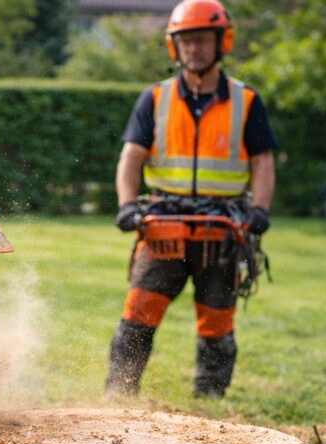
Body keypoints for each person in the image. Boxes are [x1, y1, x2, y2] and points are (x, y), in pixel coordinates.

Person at [105, 0, 277, 398]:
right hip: (164, 223)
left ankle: (210, 398)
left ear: (222, 42)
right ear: (174, 47)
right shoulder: (155, 98)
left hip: (222, 228)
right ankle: (118, 393)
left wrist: (260, 210)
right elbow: (131, 156)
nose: (193, 49)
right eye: (186, 42)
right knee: (138, 314)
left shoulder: (246, 101)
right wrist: (127, 204)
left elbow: (263, 160)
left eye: (201, 40)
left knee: (217, 321)